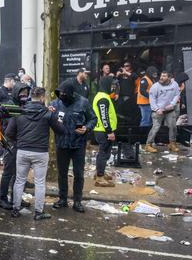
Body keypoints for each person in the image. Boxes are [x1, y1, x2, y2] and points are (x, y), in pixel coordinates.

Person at [7, 87, 65, 220]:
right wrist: (59, 119)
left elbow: (9, 133)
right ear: (42, 98)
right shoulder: (47, 113)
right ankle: (38, 212)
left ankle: (15, 209)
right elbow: (60, 130)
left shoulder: (20, 112)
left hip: (22, 151)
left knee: (19, 180)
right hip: (40, 152)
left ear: (30, 97)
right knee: (39, 183)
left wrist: (20, 141)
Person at [51, 79, 97, 213]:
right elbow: (48, 117)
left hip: (78, 144)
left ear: (71, 94)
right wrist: (48, 111)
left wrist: (86, 128)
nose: (62, 97)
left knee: (78, 174)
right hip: (62, 144)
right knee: (62, 173)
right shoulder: (55, 103)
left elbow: (93, 118)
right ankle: (63, 199)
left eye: (65, 94)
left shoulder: (83, 102)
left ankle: (77, 201)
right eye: (60, 94)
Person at [0, 82, 31, 210]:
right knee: (8, 172)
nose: (24, 95)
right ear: (17, 92)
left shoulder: (24, 105)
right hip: (10, 143)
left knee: (19, 174)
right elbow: (5, 125)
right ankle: (3, 199)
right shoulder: (9, 105)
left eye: (26, 93)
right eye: (22, 93)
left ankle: (16, 198)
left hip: (21, 142)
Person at [144, 71, 182, 153]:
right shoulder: (155, 86)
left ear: (169, 78)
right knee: (155, 127)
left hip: (169, 110)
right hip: (158, 111)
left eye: (164, 76)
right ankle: (148, 145)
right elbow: (152, 99)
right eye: (161, 76)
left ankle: (172, 143)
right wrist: (157, 109)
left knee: (173, 127)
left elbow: (177, 94)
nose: (161, 77)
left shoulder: (174, 84)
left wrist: (172, 104)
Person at [92, 76, 118, 187]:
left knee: (104, 153)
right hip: (103, 131)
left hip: (102, 130)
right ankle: (100, 177)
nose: (113, 87)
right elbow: (104, 117)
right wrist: (109, 132)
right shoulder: (103, 98)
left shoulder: (103, 96)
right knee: (103, 153)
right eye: (112, 84)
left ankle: (100, 172)